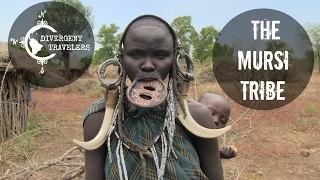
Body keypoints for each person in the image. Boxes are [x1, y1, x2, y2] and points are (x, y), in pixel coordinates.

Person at [73, 15, 231, 180]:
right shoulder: (99, 118)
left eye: (160, 55)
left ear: (175, 60)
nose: (148, 65)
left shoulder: (197, 116)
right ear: (121, 58)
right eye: (135, 55)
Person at [197, 92, 237, 159]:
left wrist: (219, 154)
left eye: (222, 121)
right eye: (211, 113)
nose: (216, 120)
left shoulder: (209, 144)